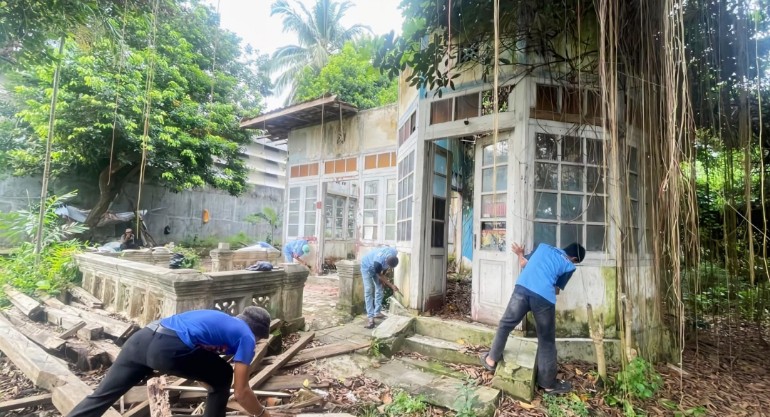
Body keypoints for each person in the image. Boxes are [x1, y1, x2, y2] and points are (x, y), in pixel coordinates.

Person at [67, 306, 273, 417]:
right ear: (259, 335)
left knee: (101, 396)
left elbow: (199, 363)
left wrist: (210, 382)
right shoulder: (246, 336)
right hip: (167, 348)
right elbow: (241, 392)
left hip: (141, 340)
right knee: (224, 375)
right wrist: (264, 415)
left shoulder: (219, 320)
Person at [480, 242, 586, 395]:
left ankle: (491, 359)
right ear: (574, 258)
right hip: (543, 299)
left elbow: (524, 264)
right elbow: (556, 289)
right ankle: (548, 384)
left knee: (505, 324)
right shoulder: (570, 266)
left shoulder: (543, 247)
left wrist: (520, 254)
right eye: (575, 261)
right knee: (546, 340)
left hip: (522, 289)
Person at [360, 246, 400, 329]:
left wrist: (384, 278)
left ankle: (377, 312)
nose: (389, 268)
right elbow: (379, 274)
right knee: (368, 290)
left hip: (377, 267)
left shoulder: (394, 252)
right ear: (386, 261)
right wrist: (391, 285)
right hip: (367, 267)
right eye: (389, 266)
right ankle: (370, 318)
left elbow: (384, 270)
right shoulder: (378, 262)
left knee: (380, 287)